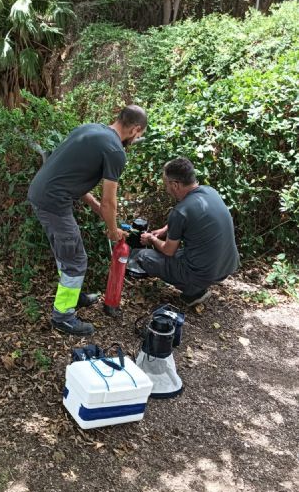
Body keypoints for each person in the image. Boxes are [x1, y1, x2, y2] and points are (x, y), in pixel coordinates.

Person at [28, 105, 148, 335]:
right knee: (75, 259)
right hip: (54, 202)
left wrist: (94, 206)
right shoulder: (115, 151)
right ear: (135, 129)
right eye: (139, 135)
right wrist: (113, 231)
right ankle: (63, 316)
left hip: (42, 192)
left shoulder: (90, 129)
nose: (136, 139)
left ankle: (72, 294)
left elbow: (73, 174)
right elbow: (109, 202)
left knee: (67, 251)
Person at [137, 157, 239, 307]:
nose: (166, 189)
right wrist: (165, 230)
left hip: (204, 272)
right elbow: (189, 218)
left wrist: (151, 239)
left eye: (166, 185)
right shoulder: (210, 192)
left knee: (144, 256)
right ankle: (198, 283)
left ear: (175, 185)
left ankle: (194, 291)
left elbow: (168, 251)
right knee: (187, 251)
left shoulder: (180, 211)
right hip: (228, 265)